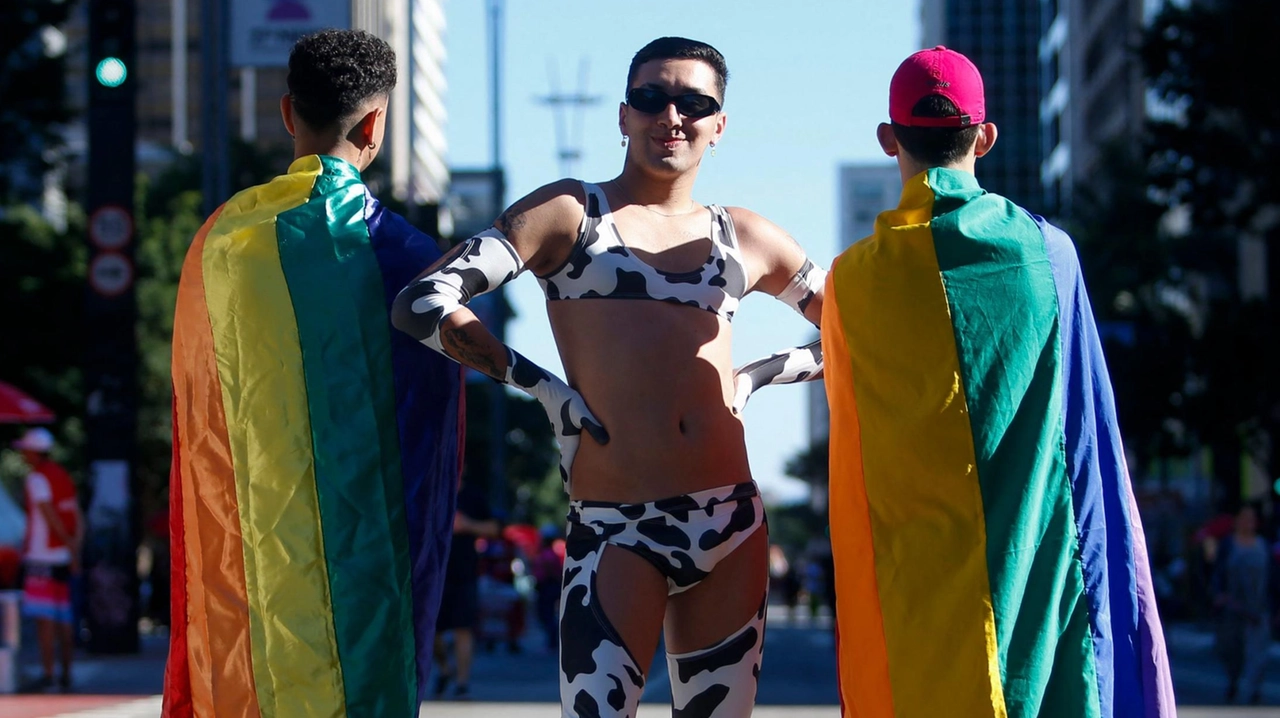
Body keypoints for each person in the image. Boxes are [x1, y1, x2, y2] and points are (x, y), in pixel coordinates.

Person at [393, 36, 826, 717]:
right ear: (623, 117)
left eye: (694, 102)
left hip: (732, 525)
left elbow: (864, 337)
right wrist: (543, 388)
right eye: (652, 97)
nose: (671, 115)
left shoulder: (743, 235)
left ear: (719, 125)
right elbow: (422, 302)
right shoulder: (572, 214)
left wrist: (764, 372)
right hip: (615, 530)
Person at [821, 46, 1176, 716]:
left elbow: (854, 445)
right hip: (1033, 575)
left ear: (888, 139)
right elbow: (1084, 424)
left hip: (913, 595)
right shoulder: (1049, 254)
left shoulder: (850, 281)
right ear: (984, 136)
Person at [163, 29, 463, 718]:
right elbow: (427, 443)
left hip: (247, 562)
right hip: (362, 567)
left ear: (286, 112)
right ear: (376, 124)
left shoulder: (220, 241)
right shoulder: (404, 255)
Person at [14, 427, 81, 693]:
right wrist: (74, 549)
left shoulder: (37, 478)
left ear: (33, 452)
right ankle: (66, 672)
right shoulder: (62, 476)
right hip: (63, 556)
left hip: (42, 555)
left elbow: (49, 515)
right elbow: (76, 516)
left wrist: (64, 541)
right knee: (64, 616)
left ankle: (48, 673)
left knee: (45, 618)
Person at [433, 477, 500, 700]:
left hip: (465, 573)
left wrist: (467, 525)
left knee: (464, 628)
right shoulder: (432, 490)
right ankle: (445, 669)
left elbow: (493, 528)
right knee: (432, 631)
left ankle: (462, 682)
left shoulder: (473, 496)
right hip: (434, 574)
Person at [1212, 503, 1271, 705]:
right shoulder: (1227, 544)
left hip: (1259, 607)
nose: (1248, 523)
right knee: (1231, 649)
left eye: (1251, 519)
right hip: (1233, 607)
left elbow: (1273, 577)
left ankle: (1254, 688)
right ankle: (1233, 680)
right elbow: (1217, 572)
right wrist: (1219, 594)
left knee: (1258, 652)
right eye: (1244, 518)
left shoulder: (1264, 545)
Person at [530, 523, 566, 654]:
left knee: (547, 615)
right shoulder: (547, 553)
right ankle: (552, 641)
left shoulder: (549, 554)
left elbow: (551, 571)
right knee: (546, 615)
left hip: (548, 587)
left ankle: (552, 642)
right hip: (545, 587)